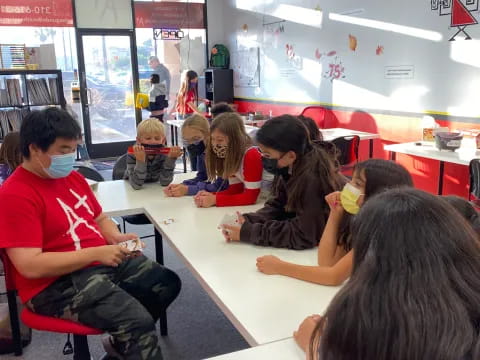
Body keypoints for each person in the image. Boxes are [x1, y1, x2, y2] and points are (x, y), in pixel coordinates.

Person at [0, 108, 181, 360]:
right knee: (135, 321)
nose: (69, 156)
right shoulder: (15, 195)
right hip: (53, 285)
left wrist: (114, 237)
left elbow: (99, 217)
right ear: (34, 149)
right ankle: (131, 340)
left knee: (165, 283)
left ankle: (122, 347)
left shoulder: (72, 178)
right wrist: (96, 252)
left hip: (97, 262)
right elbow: (30, 266)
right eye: (63, 150)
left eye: (72, 149)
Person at [295, 188, 480, 360]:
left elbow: (331, 272)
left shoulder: (376, 320)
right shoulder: (462, 305)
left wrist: (316, 347)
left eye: (358, 183)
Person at [256, 159, 413, 285]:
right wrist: (335, 214)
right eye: (352, 180)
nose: (349, 186)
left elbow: (333, 277)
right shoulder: (360, 219)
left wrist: (280, 267)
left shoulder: (383, 231)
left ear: (378, 195)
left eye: (358, 184)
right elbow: (327, 262)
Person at [221, 115, 343, 249]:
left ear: (291, 155)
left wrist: (249, 232)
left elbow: (303, 235)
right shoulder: (287, 166)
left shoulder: (312, 178)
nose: (263, 159)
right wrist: (248, 220)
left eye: (267, 155)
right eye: (261, 153)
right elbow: (278, 206)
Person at [194, 112, 263, 207]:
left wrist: (215, 200)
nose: (215, 144)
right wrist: (210, 196)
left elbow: (251, 197)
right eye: (213, 139)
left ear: (235, 139)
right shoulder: (229, 155)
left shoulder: (251, 155)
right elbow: (236, 190)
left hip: (266, 202)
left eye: (220, 140)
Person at [163, 114, 228, 197]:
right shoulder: (203, 152)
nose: (192, 144)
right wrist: (182, 185)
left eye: (196, 139)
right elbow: (202, 176)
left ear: (208, 134)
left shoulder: (221, 151)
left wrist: (188, 189)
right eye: (187, 141)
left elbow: (221, 185)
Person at [124, 118, 182, 190]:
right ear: (139, 140)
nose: (153, 142)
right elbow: (136, 185)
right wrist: (140, 161)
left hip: (155, 187)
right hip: (132, 189)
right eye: (148, 138)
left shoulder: (165, 153)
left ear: (163, 141)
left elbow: (165, 182)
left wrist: (171, 159)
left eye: (157, 138)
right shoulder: (133, 153)